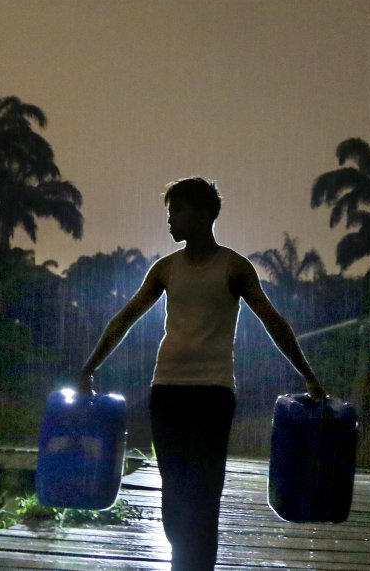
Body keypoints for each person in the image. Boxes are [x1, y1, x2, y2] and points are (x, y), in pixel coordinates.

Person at [77, 176, 325, 571]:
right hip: (168, 389)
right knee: (173, 490)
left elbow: (273, 321)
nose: (171, 221)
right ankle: (183, 559)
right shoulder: (165, 270)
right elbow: (125, 318)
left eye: (177, 211)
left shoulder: (234, 268)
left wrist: (308, 376)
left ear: (204, 213)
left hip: (213, 392)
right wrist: (90, 367)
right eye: (169, 212)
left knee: (206, 491)